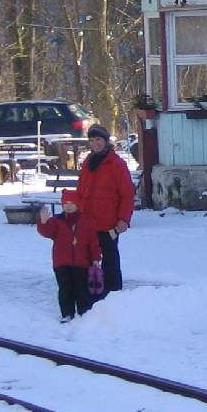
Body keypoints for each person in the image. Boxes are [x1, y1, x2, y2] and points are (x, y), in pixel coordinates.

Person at [76, 125, 134, 294]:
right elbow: (81, 191)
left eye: (98, 140)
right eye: (92, 140)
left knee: (110, 259)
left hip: (109, 223)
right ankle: (90, 291)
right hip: (88, 222)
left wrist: (123, 218)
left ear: (106, 141)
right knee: (87, 258)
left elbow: (127, 194)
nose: (95, 144)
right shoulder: (88, 162)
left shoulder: (117, 164)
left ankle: (114, 293)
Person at [37, 189, 101, 321]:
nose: (69, 205)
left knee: (81, 289)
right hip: (62, 263)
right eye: (66, 203)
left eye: (72, 203)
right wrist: (43, 223)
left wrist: (95, 258)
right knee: (65, 289)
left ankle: (84, 312)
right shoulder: (56, 221)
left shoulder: (86, 222)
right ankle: (67, 313)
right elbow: (47, 232)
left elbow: (94, 243)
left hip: (82, 263)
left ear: (78, 204)